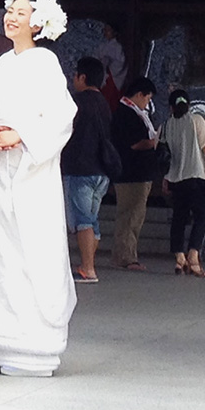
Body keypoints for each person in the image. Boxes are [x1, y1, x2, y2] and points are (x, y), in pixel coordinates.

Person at [0, 0, 77, 378]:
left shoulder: (44, 62)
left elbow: (61, 115)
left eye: (20, 12)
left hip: (28, 173)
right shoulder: (0, 65)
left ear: (38, 21)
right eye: (9, 10)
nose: (11, 17)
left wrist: (19, 135)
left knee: (28, 252)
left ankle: (31, 348)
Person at [61, 56, 118, 285]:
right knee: (92, 220)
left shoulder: (75, 103)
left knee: (82, 220)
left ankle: (88, 268)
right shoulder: (104, 103)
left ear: (82, 77)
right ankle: (88, 265)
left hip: (79, 168)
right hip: (101, 171)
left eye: (75, 75)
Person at [162, 87, 205, 278]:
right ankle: (193, 255)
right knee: (204, 216)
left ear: (171, 107)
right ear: (188, 104)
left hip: (176, 179)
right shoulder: (197, 120)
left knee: (179, 218)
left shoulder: (166, 125)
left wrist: (165, 177)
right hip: (197, 176)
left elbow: (165, 154)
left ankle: (179, 258)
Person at [109, 75, 159, 272]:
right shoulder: (125, 114)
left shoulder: (135, 112)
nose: (148, 103)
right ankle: (125, 256)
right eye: (147, 98)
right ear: (139, 94)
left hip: (139, 171)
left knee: (134, 215)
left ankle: (128, 254)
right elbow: (133, 143)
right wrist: (152, 143)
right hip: (131, 172)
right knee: (130, 215)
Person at [94, 23, 128, 111]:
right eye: (104, 30)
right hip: (112, 79)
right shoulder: (110, 45)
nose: (105, 33)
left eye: (107, 30)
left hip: (112, 79)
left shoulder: (115, 46)